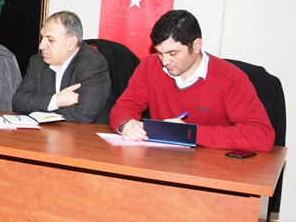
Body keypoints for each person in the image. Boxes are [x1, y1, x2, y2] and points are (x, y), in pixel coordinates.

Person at [109, 9, 275, 151]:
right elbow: (123, 107)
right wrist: (126, 124)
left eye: (173, 54)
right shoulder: (150, 66)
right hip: (162, 162)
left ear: (196, 46)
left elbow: (262, 135)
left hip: (213, 168)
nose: (165, 61)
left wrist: (190, 133)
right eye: (160, 53)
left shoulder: (230, 78)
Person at [12, 11, 112, 123]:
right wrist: (57, 100)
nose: (41, 46)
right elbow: (19, 102)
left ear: (71, 43)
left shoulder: (93, 63)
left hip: (83, 132)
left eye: (50, 39)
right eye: (42, 38)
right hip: (47, 131)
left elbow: (85, 114)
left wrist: (40, 107)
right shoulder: (37, 61)